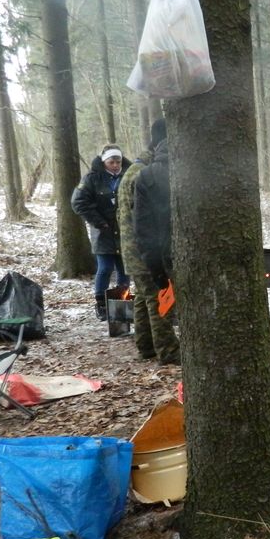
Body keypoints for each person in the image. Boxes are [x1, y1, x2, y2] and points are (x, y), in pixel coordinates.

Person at [118, 120, 180, 365]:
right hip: (143, 247)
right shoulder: (144, 173)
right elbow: (145, 218)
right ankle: (167, 349)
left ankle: (145, 345)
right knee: (157, 298)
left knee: (144, 298)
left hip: (133, 248)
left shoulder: (134, 170)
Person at [72, 146, 131, 320]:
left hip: (125, 231)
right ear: (104, 162)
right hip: (103, 231)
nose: (115, 165)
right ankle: (101, 305)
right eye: (111, 162)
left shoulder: (128, 175)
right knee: (105, 268)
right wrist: (99, 222)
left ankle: (122, 304)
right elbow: (78, 202)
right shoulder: (92, 178)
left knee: (125, 269)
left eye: (118, 161)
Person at [133, 122, 173, 294]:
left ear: (156, 145)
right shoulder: (204, 168)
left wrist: (156, 271)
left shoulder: (146, 175)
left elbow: (144, 229)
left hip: (168, 258)